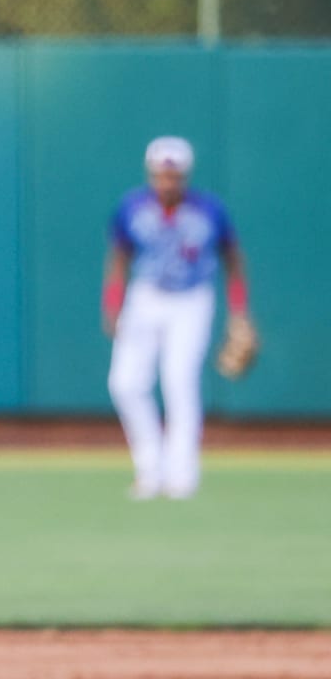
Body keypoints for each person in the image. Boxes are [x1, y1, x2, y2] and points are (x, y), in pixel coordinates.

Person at [102, 136, 251, 501]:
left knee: (179, 383)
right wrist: (113, 302)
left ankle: (181, 476)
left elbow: (233, 258)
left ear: (185, 175)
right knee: (125, 383)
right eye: (160, 175)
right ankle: (150, 472)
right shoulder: (133, 207)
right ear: (151, 174)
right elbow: (119, 256)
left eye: (174, 175)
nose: (167, 182)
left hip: (191, 299)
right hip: (146, 295)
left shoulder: (208, 209)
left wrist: (240, 313)